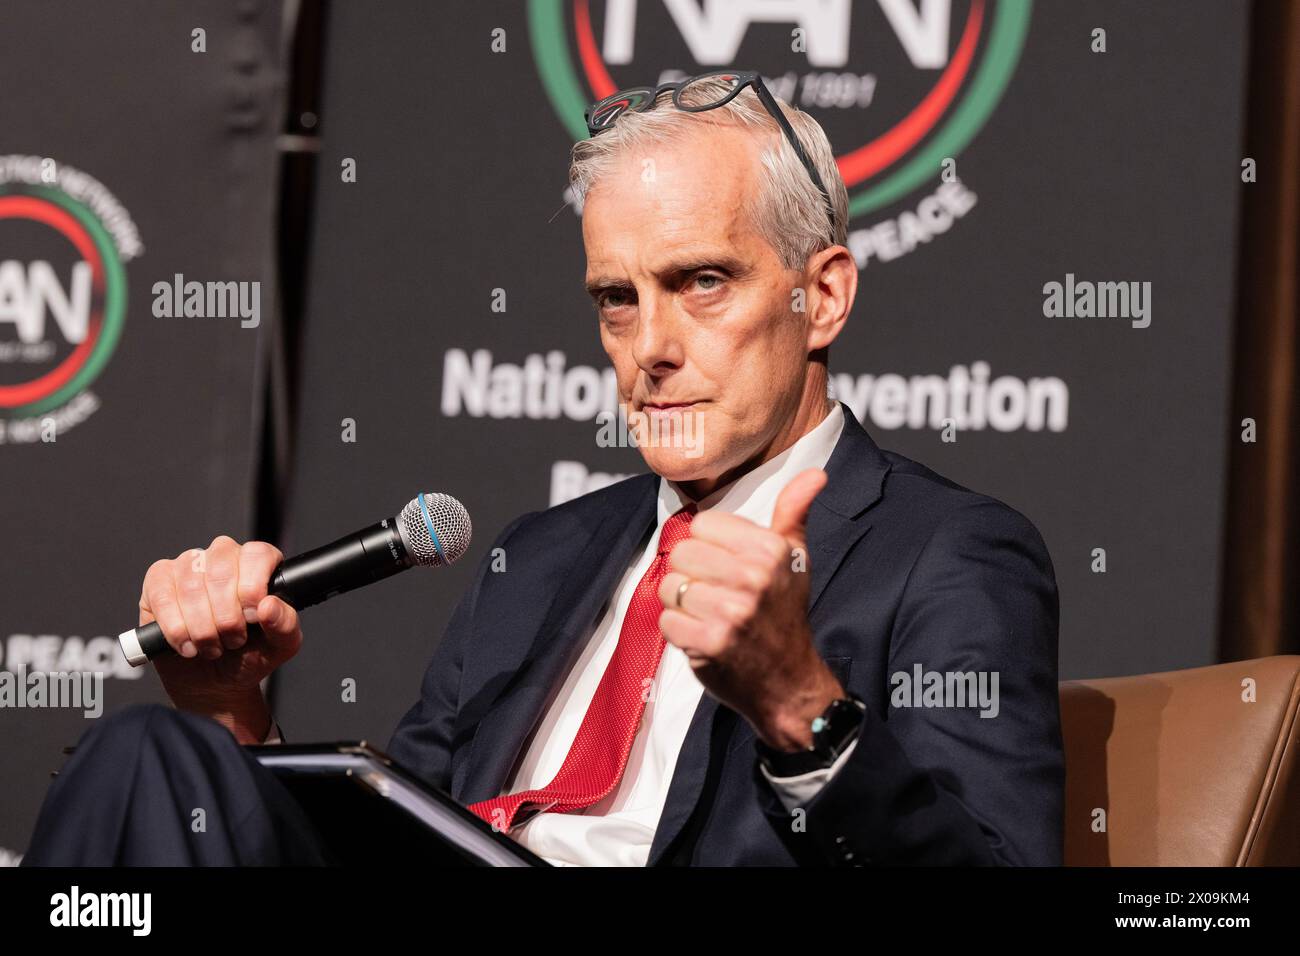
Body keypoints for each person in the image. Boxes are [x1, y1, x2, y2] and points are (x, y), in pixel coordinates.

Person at [24, 73, 1063, 867]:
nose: (648, 344)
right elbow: (398, 833)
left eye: (702, 282)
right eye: (617, 297)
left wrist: (800, 708)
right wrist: (227, 710)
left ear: (822, 296)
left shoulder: (949, 553)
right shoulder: (546, 551)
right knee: (150, 753)